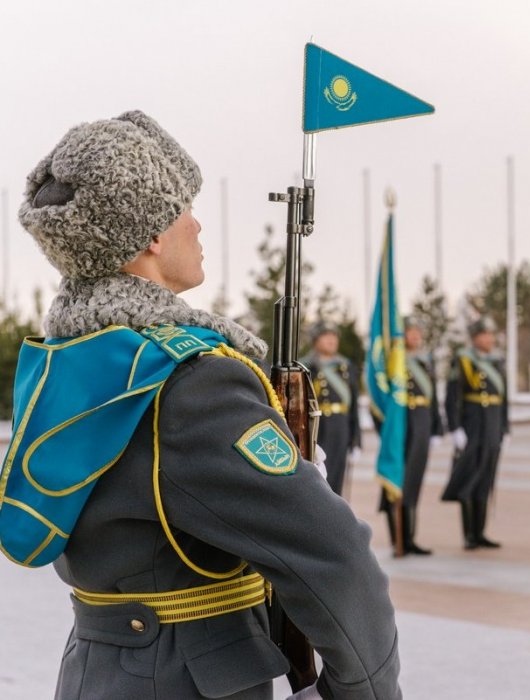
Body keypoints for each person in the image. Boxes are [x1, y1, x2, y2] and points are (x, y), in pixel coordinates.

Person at [6, 111, 400, 699]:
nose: (197, 223)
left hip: (97, 672)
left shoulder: (72, 357)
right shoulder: (194, 384)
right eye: (183, 207)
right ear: (149, 236)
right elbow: (335, 556)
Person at [373, 316, 443, 554]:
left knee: (414, 479)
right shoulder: (392, 360)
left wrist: (436, 428)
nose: (414, 335)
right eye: (409, 331)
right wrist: (383, 427)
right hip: (400, 423)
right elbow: (380, 396)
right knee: (395, 478)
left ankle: (410, 538)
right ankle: (398, 539)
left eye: (417, 331)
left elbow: (432, 396)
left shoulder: (425, 361)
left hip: (421, 422)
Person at [442, 316, 509, 549]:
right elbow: (453, 396)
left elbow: (503, 397)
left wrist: (505, 427)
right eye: (485, 334)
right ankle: (469, 534)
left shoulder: (497, 360)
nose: (489, 338)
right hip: (472, 424)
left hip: (492, 423)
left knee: (486, 478)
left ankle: (480, 532)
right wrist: (455, 427)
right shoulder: (463, 360)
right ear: (475, 338)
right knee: (470, 476)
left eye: (491, 334)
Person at [302, 324, 362, 496]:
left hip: (340, 426)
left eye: (334, 336)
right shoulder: (307, 365)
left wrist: (356, 439)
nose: (331, 340)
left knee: (337, 478)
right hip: (317, 427)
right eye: (326, 336)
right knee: (317, 478)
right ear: (316, 340)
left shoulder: (345, 366)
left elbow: (353, 405)